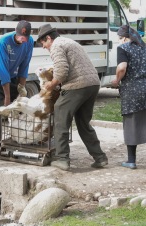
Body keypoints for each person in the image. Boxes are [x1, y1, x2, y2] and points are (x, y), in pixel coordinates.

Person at [37, 24, 108, 171]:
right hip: (93, 84)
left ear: (49, 38)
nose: (44, 47)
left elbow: (62, 71)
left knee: (60, 115)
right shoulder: (70, 42)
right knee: (83, 123)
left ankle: (62, 159)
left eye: (43, 43)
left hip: (78, 85)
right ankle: (100, 157)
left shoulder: (56, 46)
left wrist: (51, 84)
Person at [0, 20, 34, 159]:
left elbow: (25, 64)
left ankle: (18, 140)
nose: (23, 40)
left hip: (12, 76)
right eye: (20, 37)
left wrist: (21, 87)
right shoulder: (3, 42)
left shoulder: (29, 42)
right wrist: (6, 98)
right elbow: (3, 70)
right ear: (15, 32)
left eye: (25, 37)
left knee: (18, 108)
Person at [111, 25, 146, 169]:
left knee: (131, 124)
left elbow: (122, 67)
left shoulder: (124, 48)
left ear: (125, 38)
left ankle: (131, 160)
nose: (119, 41)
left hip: (132, 91)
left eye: (120, 38)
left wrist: (116, 80)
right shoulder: (144, 47)